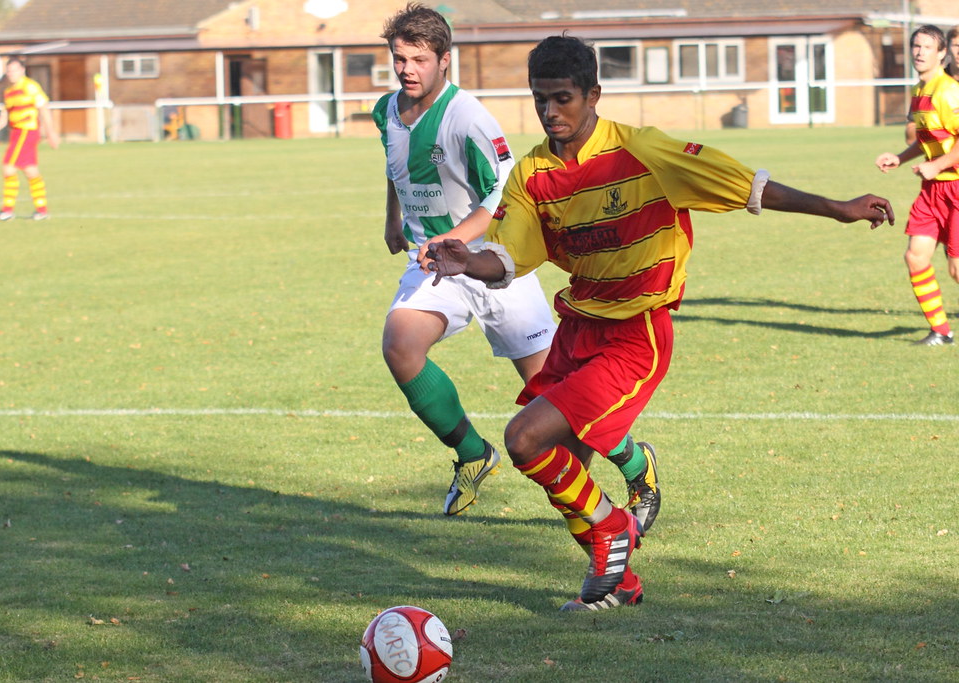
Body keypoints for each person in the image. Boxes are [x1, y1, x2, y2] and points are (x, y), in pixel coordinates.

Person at [428, 35, 894, 611]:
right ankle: (620, 580)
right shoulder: (532, 173)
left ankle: (615, 529)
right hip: (577, 331)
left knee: (525, 440)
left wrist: (839, 208)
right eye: (539, 99)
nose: (551, 112)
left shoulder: (643, 151)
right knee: (565, 472)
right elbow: (509, 254)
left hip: (634, 335)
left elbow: (748, 186)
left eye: (563, 98)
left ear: (594, 94)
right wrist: (467, 259)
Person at [372, 3, 561, 516]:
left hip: (493, 260)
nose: (407, 68)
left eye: (418, 59)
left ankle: (635, 467)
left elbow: (501, 197)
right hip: (437, 264)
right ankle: (472, 454)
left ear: (444, 60)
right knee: (400, 345)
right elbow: (395, 165)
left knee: (555, 395)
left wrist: (452, 241)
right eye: (399, 57)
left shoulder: (469, 118)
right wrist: (394, 218)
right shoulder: (386, 110)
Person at [877, 25, 959, 346]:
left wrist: (936, 165)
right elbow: (927, 140)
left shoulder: (948, 91)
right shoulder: (918, 90)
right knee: (916, 257)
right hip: (932, 191)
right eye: (915, 46)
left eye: (927, 47)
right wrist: (900, 157)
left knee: (956, 269)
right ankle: (941, 331)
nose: (919, 52)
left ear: (942, 54)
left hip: (955, 187)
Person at [0, 57, 59, 221]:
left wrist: (51, 133)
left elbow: (43, 107)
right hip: (16, 133)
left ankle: (7, 211)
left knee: (8, 167)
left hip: (27, 131)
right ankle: (42, 210)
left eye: (14, 70)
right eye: (9, 71)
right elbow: (5, 116)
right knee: (30, 170)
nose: (11, 74)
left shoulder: (30, 86)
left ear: (22, 70)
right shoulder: (9, 91)